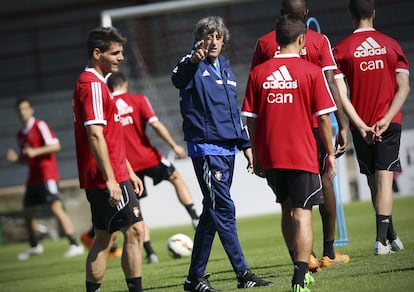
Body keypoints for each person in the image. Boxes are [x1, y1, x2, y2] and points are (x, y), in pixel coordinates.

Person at [171, 16, 273, 291]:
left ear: (223, 40)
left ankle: (194, 279)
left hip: (228, 150)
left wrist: (246, 146)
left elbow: (232, 112)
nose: (213, 41)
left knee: (211, 214)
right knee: (224, 209)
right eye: (207, 36)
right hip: (206, 150)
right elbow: (178, 80)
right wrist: (194, 59)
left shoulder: (226, 68)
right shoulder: (190, 64)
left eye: (218, 36)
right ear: (199, 39)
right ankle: (243, 274)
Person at [249, 0, 350, 271]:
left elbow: (257, 92)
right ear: (305, 15)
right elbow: (330, 83)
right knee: (324, 184)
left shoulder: (263, 43)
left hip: (277, 131)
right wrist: (342, 124)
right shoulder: (317, 40)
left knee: (287, 204)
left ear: (280, 16)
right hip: (314, 128)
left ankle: (303, 257)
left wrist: (256, 147)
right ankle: (328, 252)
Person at [333, 0, 410, 255]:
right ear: (373, 14)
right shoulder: (391, 45)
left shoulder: (342, 50)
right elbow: (404, 87)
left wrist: (360, 125)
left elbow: (341, 95)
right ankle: (387, 236)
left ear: (351, 16)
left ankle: (383, 239)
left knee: (375, 182)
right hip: (388, 123)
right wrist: (387, 118)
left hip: (361, 126)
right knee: (383, 180)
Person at [72, 26, 145, 292]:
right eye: (116, 53)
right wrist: (112, 179)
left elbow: (110, 135)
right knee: (135, 232)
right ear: (96, 53)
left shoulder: (95, 83)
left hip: (111, 173)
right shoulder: (91, 86)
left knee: (104, 237)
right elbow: (94, 136)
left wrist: (129, 170)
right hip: (107, 177)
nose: (121, 57)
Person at [106, 71, 200, 264]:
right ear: (124, 83)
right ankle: (194, 216)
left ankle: (150, 253)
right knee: (176, 177)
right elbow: (155, 124)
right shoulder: (138, 99)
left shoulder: (106, 106)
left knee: (137, 209)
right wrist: (174, 145)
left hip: (125, 164)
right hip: (148, 157)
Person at [6, 98, 84, 261]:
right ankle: (35, 245)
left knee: (56, 208)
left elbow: (55, 145)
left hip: (47, 175)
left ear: (31, 109)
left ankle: (74, 244)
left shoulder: (40, 126)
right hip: (33, 178)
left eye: (25, 108)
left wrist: (35, 151)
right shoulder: (21, 134)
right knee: (27, 212)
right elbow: (27, 158)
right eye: (19, 110)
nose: (22, 112)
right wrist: (16, 159)